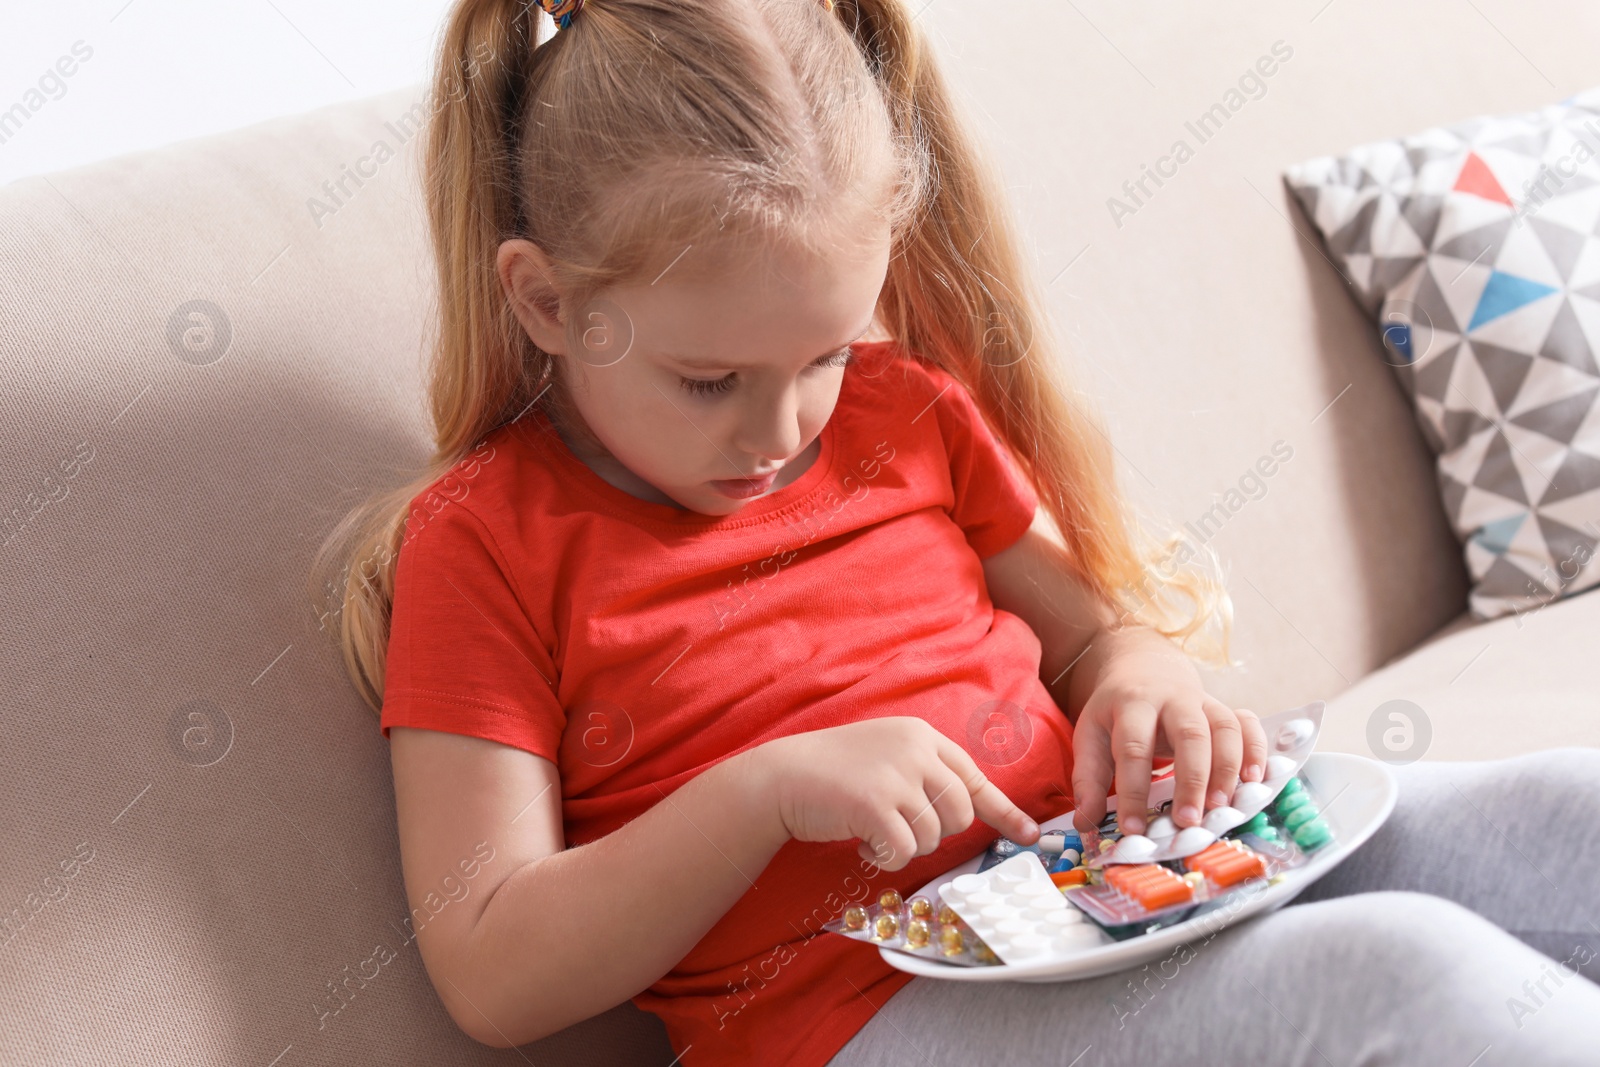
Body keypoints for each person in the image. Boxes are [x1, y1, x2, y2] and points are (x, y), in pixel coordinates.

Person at [311, 0, 1600, 1063]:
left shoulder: (899, 410)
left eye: (821, 353)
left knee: (1570, 812)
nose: (780, 429)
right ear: (546, 302)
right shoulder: (480, 542)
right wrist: (763, 794)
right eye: (710, 380)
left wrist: (1146, 680)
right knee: (1401, 980)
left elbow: (1094, 637)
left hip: (1127, 883)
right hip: (883, 1018)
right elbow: (489, 964)